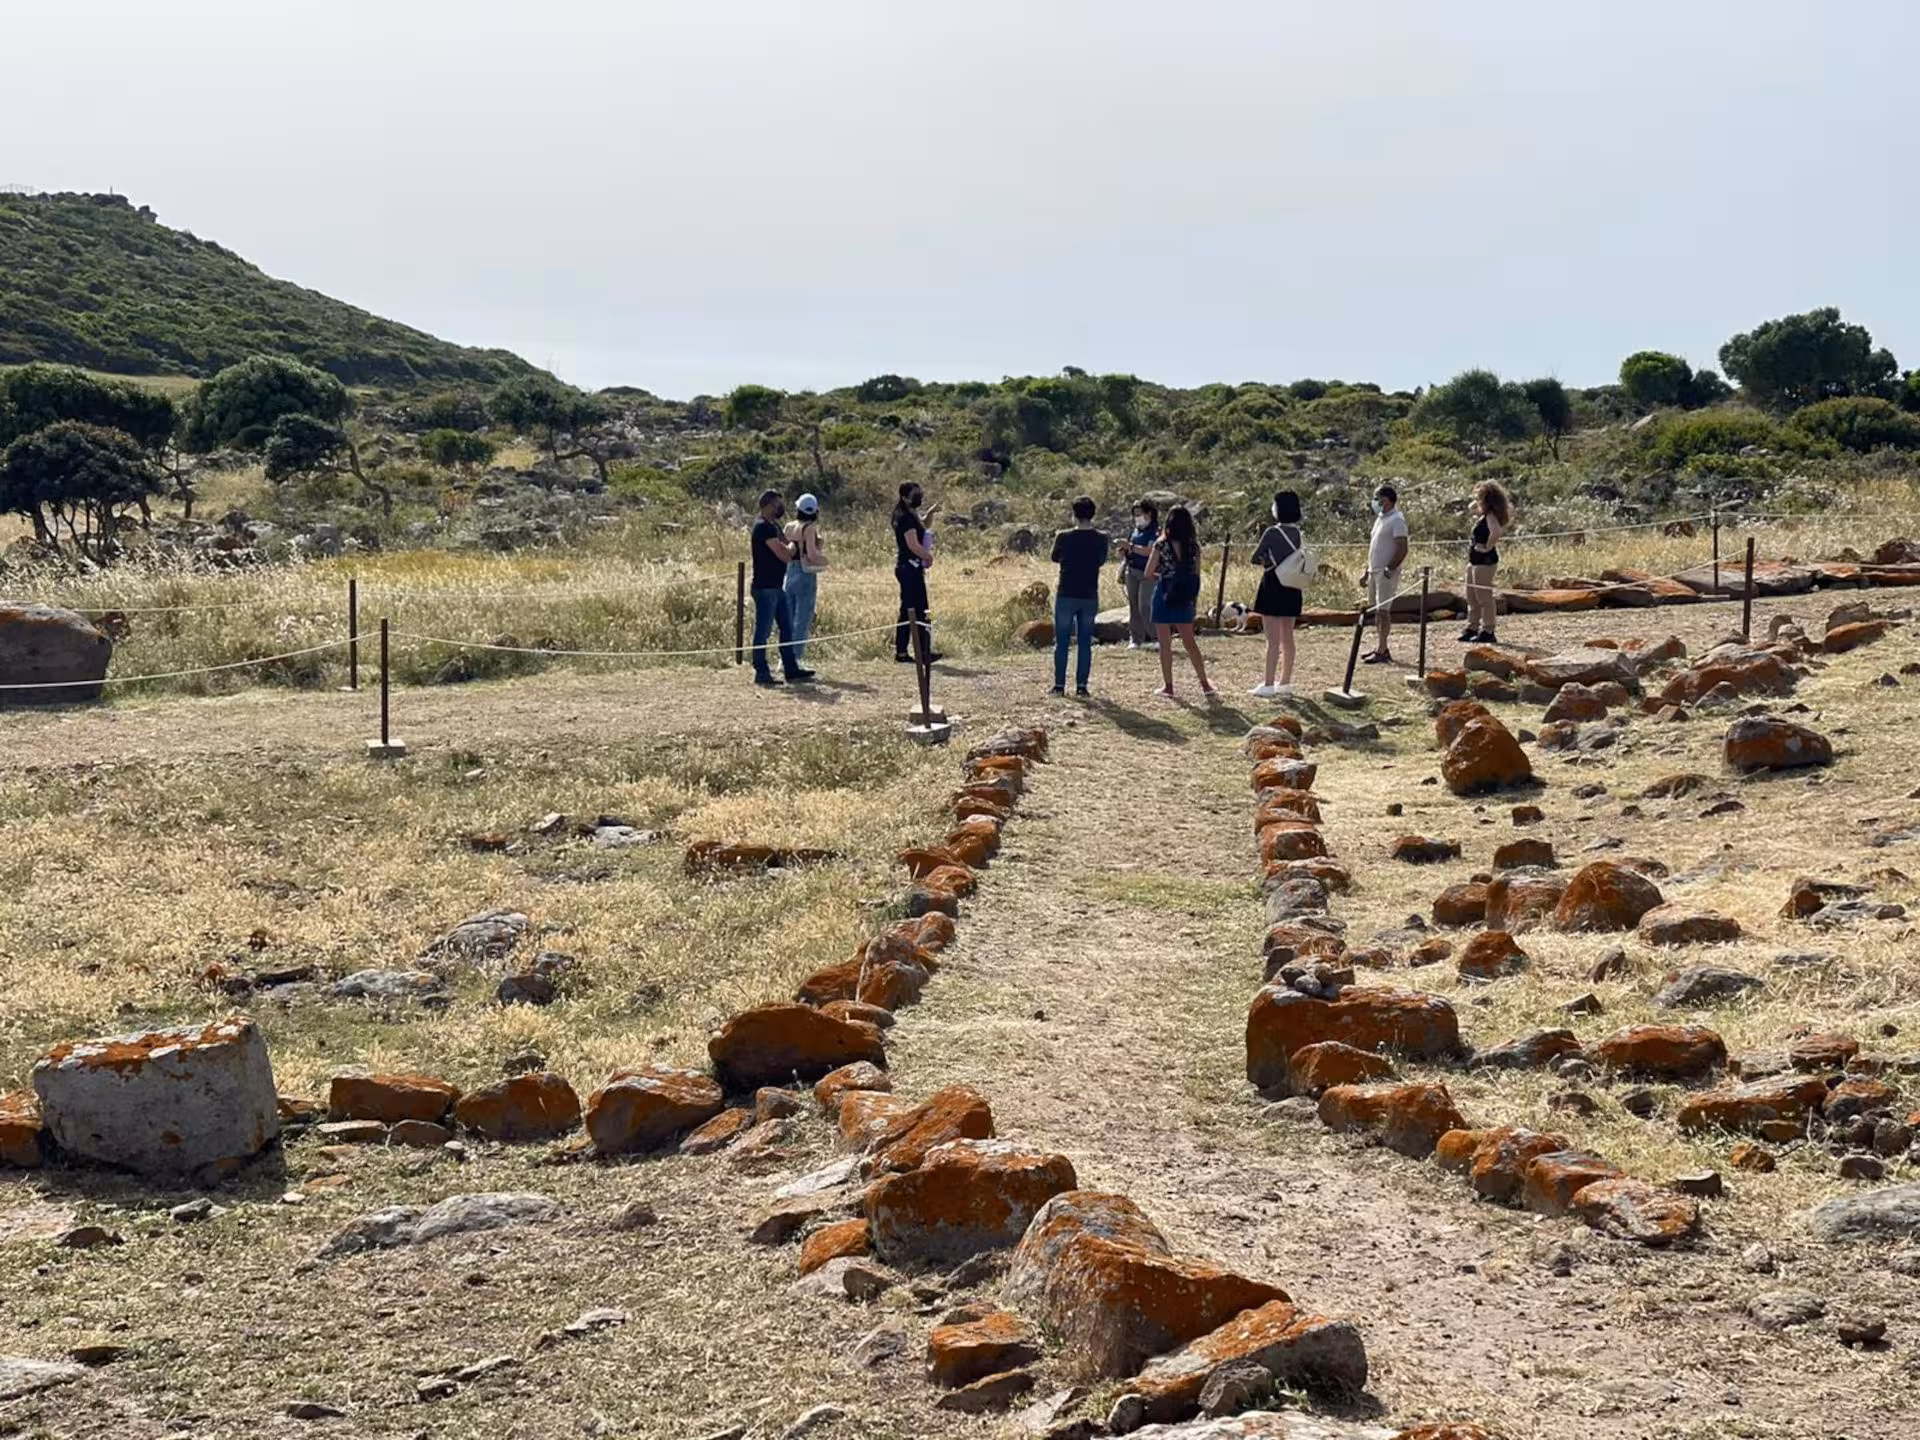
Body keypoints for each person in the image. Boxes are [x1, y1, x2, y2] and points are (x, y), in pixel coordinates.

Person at [1144, 504, 1216, 699]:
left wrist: (1164, 576)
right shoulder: (1193, 547)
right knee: (1189, 642)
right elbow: (1196, 574)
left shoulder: (1161, 545)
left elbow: (1148, 573)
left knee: (1165, 643)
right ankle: (1205, 683)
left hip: (1164, 594)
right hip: (1185, 596)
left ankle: (1168, 686)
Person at [749, 489, 813, 687]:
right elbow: (785, 554)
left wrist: (789, 545)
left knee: (786, 628)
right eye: (777, 504)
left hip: (777, 586)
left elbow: (785, 543)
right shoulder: (763, 528)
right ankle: (761, 671)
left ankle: (791, 668)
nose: (780, 508)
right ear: (768, 505)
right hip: (765, 587)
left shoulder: (773, 526)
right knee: (763, 631)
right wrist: (794, 546)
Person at [1049, 495, 1110, 696]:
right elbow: (1101, 560)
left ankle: (1059, 685)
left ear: (1073, 514)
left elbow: (1054, 557)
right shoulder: (1101, 538)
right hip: (1089, 594)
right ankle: (1082, 686)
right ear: (1093, 514)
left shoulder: (1063, 537)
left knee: (1062, 642)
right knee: (1084, 642)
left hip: (1066, 592)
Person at [1249, 490, 1306, 698]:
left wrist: (1268, 560)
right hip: (1292, 584)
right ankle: (1285, 682)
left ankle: (1268, 684)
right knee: (1288, 637)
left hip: (1273, 583)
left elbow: (1255, 557)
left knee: (1272, 639)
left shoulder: (1272, 532)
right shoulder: (1298, 533)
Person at [892, 482, 942, 664]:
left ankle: (908, 652)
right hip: (909, 568)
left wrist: (930, 513)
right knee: (917, 609)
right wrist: (927, 556)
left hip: (911, 568)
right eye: (915, 494)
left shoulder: (910, 513)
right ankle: (920, 652)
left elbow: (922, 526)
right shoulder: (904, 517)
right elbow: (912, 543)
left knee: (909, 610)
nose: (919, 497)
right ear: (905, 497)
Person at [1361, 483, 1410, 664]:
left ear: (1386, 500)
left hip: (1386, 573)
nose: (1374, 502)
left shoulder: (1397, 520)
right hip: (1374, 571)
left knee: (1383, 611)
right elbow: (1375, 548)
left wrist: (1391, 568)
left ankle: (1382, 649)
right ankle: (1380, 646)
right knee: (1377, 611)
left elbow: (1402, 547)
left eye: (1377, 498)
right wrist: (1366, 572)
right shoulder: (1380, 519)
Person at [1462, 480, 1512, 644]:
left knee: (1484, 597)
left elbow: (1496, 532)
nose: (1477, 500)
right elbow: (1471, 508)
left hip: (1485, 561)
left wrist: (1487, 546)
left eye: (1480, 497)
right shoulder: (1483, 514)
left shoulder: (1491, 516)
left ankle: (1488, 629)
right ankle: (1472, 627)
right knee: (1472, 596)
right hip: (1474, 561)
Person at [782, 492, 826, 666]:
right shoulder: (810, 528)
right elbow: (812, 555)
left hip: (789, 572)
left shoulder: (789, 526)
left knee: (788, 617)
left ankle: (784, 657)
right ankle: (796, 658)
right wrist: (824, 560)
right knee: (802, 618)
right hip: (805, 573)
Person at [1114, 498, 1160, 648]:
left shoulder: (1155, 531)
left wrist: (1131, 547)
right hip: (1132, 570)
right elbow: (1130, 547)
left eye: (1140, 513)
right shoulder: (1135, 531)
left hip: (1148, 572)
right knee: (1133, 605)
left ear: (1149, 513)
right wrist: (1124, 551)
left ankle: (1156, 637)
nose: (1137, 517)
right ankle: (1135, 638)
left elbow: (1150, 551)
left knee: (1145, 605)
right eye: (1135, 514)